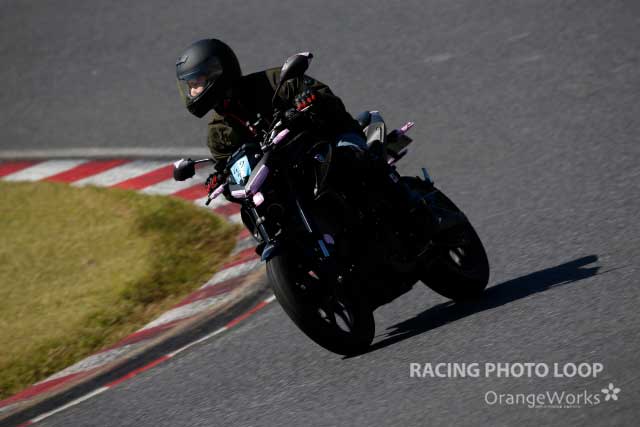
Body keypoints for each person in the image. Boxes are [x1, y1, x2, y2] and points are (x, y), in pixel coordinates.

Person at [175, 38, 368, 169]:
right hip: (284, 172)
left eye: (197, 83)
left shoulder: (277, 81)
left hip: (326, 140)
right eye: (190, 86)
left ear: (217, 73)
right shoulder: (218, 134)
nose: (193, 92)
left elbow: (332, 105)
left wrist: (312, 101)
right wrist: (221, 178)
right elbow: (229, 170)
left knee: (351, 164)